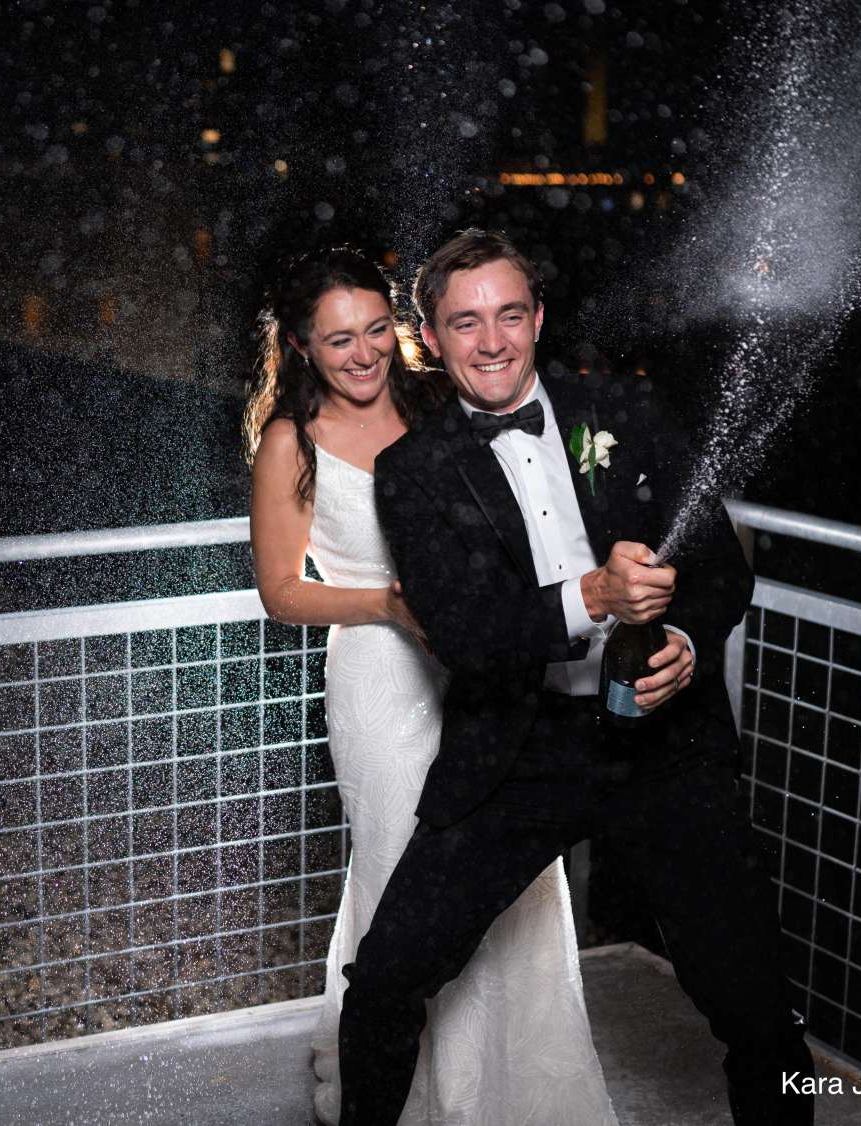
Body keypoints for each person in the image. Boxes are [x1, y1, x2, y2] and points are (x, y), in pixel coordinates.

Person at [337, 228, 816, 1125]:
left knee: (755, 1004)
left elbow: (721, 570)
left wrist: (685, 642)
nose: (492, 342)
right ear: (430, 339)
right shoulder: (412, 471)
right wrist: (592, 593)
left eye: (510, 316)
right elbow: (469, 634)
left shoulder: (625, 413)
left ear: (539, 318)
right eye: (465, 322)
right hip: (519, 753)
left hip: (662, 745)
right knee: (387, 980)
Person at [246, 247, 619, 1125]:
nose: (363, 352)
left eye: (377, 329)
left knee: (517, 880)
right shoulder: (288, 443)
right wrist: (385, 603)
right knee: (401, 873)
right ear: (302, 346)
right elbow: (280, 590)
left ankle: (520, 1086)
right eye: (339, 339)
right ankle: (424, 1095)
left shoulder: (435, 405)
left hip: (487, 669)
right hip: (380, 678)